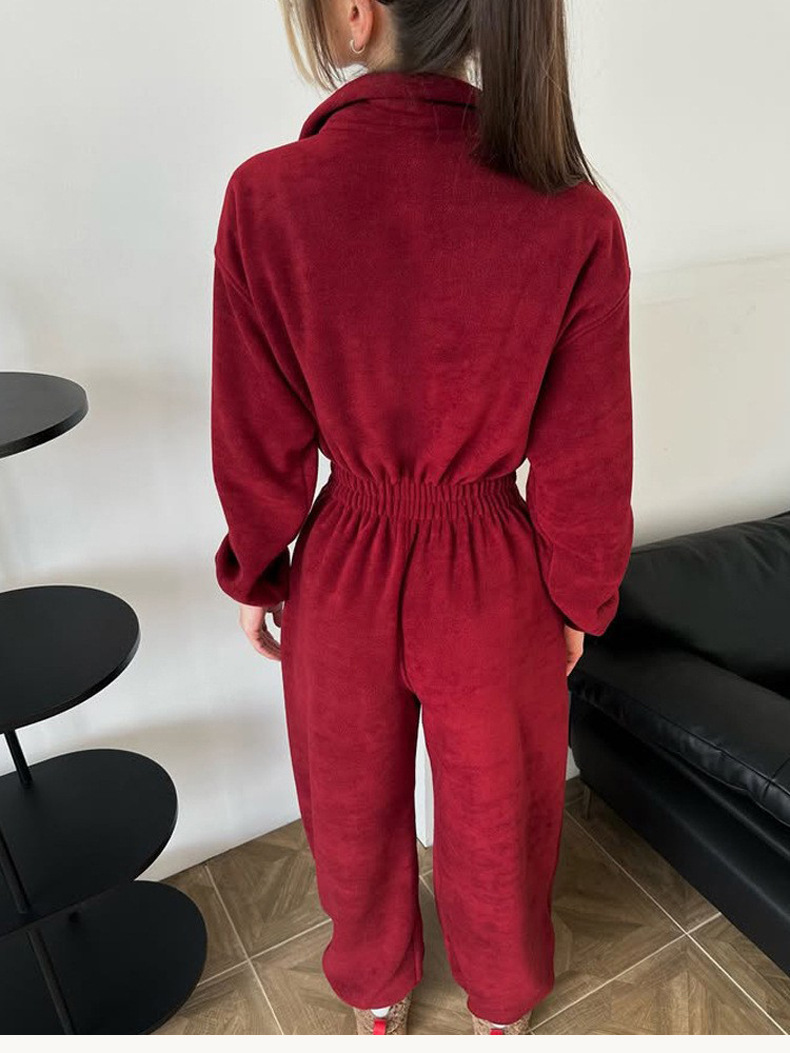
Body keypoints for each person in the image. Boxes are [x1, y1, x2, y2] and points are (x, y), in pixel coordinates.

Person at [210, 0, 634, 1037]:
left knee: (346, 795)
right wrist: (576, 597)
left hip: (342, 561)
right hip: (494, 572)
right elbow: (587, 453)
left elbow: (255, 427)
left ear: (355, 15)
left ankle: (375, 986)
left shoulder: (268, 197)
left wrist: (258, 568)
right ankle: (502, 1002)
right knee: (502, 808)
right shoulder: (573, 214)